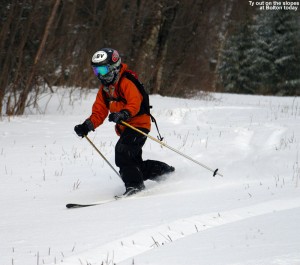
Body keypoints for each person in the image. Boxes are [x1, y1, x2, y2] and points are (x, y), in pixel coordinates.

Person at [74, 48, 175, 197]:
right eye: (96, 71)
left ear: (114, 67)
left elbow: (135, 102)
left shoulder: (126, 81)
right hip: (126, 127)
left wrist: (123, 114)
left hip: (139, 124)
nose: (100, 75)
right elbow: (99, 112)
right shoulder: (105, 90)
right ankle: (165, 172)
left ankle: (135, 186)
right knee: (133, 163)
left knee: (123, 153)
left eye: (102, 70)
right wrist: (87, 125)